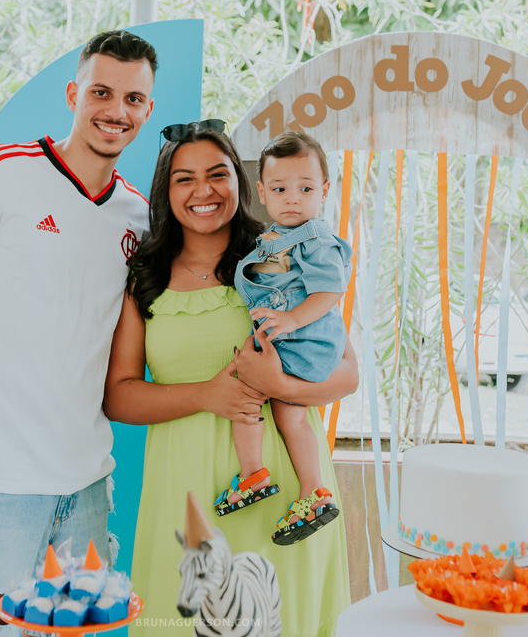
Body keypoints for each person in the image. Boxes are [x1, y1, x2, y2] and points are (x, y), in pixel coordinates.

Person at [0, 30, 156, 635]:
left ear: (146, 110)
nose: (116, 111)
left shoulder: (138, 217)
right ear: (73, 94)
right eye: (101, 92)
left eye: (133, 99)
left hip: (89, 482)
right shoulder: (2, 171)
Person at [104, 122, 355, 637]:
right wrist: (207, 394)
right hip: (186, 495)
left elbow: (347, 374)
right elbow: (119, 398)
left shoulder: (278, 258)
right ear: (165, 190)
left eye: (218, 174)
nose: (204, 191)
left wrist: (280, 387)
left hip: (284, 498)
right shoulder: (144, 276)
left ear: (243, 185)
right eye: (184, 179)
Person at [216, 131, 352, 546]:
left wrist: (292, 319)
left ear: (324, 191)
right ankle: (312, 491)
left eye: (306, 189)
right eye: (280, 189)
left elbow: (332, 290)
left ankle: (255, 474)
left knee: (245, 393)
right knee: (286, 415)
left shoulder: (317, 240)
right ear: (261, 191)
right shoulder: (272, 237)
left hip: (304, 342)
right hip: (292, 340)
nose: (293, 198)